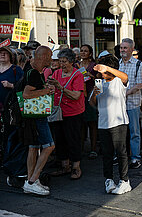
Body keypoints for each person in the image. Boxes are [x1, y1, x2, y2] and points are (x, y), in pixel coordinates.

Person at [89, 55, 131, 195]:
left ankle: (125, 181)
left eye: (103, 70)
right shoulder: (99, 82)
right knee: (106, 154)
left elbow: (125, 76)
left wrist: (107, 68)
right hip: (103, 123)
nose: (101, 73)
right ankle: (109, 179)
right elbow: (92, 103)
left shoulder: (119, 81)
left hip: (119, 122)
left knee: (121, 153)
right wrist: (94, 95)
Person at [22, 46, 55, 196]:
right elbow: (27, 94)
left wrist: (44, 88)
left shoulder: (31, 70)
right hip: (37, 116)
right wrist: (47, 90)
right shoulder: (34, 73)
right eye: (50, 56)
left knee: (33, 147)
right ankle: (32, 181)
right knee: (49, 146)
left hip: (31, 115)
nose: (51, 59)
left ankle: (31, 181)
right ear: (43, 57)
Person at [48, 48, 85, 180]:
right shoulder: (56, 73)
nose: (62, 64)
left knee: (73, 139)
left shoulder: (77, 75)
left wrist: (60, 88)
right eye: (60, 61)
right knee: (60, 139)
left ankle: (76, 167)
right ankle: (64, 165)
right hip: (59, 112)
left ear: (71, 62)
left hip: (73, 112)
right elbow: (51, 88)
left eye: (64, 61)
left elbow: (76, 95)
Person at [118, 38, 142, 169]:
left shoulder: (138, 64)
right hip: (119, 104)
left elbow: (140, 84)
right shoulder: (118, 63)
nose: (122, 50)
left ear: (131, 49)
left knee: (134, 131)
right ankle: (122, 156)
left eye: (125, 48)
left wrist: (126, 92)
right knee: (120, 132)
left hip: (132, 103)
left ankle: (135, 157)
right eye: (121, 48)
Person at [79, 44, 98, 159]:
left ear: (90, 53)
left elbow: (100, 80)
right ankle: (80, 148)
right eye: (81, 51)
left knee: (92, 123)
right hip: (79, 96)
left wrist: (91, 75)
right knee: (81, 124)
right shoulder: (76, 65)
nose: (83, 53)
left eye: (85, 51)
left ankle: (93, 148)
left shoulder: (94, 66)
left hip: (91, 97)